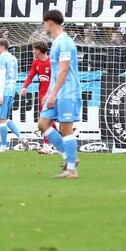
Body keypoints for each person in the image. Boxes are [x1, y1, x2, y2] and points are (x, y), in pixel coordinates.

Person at [38, 10, 83, 178]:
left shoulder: (65, 42)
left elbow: (64, 70)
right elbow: (57, 72)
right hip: (56, 92)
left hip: (67, 92)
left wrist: (53, 94)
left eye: (44, 22)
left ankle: (71, 169)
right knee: (43, 124)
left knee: (66, 129)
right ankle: (69, 157)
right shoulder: (56, 42)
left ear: (50, 22)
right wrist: (49, 92)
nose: (43, 26)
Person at [21, 41, 56, 154]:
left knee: (46, 121)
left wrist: (53, 95)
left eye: (34, 49)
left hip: (52, 97)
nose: (32, 51)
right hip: (41, 97)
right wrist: (24, 87)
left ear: (39, 50)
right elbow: (30, 76)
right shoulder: (36, 62)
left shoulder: (52, 63)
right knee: (48, 121)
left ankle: (47, 144)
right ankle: (55, 143)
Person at [0, 38, 23, 152]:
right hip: (11, 90)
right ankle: (21, 137)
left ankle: (3, 147)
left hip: (3, 91)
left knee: (1, 119)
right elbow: (16, 75)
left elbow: (2, 76)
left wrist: (0, 96)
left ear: (2, 46)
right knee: (5, 118)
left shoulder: (2, 58)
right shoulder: (13, 58)